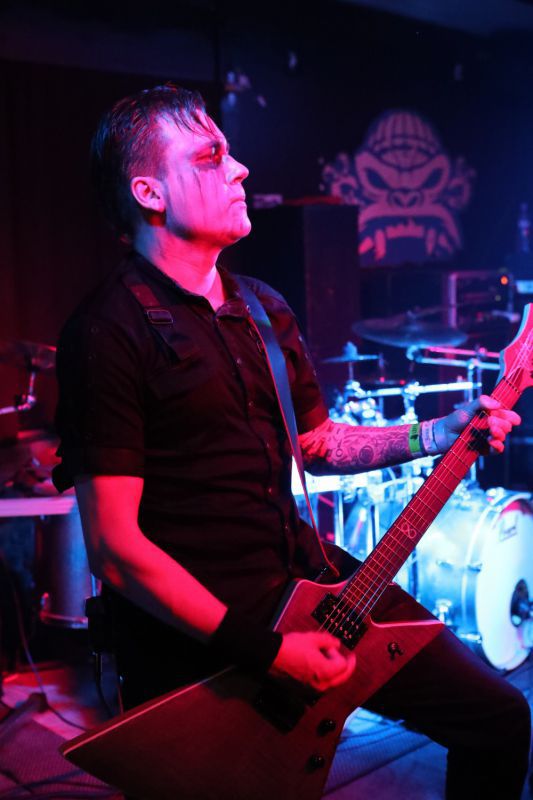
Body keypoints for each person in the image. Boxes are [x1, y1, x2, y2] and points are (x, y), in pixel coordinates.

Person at [53, 84, 530, 798]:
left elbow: (318, 443)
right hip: (208, 636)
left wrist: (439, 430)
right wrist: (267, 652)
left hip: (310, 583)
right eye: (210, 157)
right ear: (149, 193)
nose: (240, 168)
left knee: (498, 718)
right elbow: (115, 549)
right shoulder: (107, 331)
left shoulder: (262, 307)